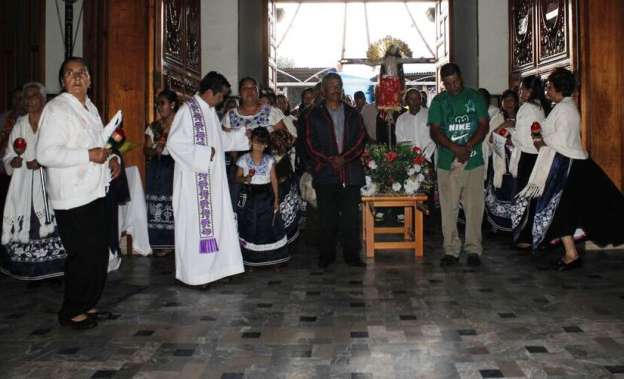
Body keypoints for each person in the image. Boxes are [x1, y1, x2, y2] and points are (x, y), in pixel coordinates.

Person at [37, 57, 121, 330]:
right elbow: (45, 154)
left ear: (89, 79)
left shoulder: (90, 107)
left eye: (81, 73)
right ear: (62, 81)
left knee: (97, 254)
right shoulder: (57, 109)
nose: (76, 77)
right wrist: (88, 155)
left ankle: (88, 303)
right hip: (72, 195)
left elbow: (100, 144)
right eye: (69, 74)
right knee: (82, 255)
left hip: (95, 190)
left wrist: (111, 159)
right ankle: (71, 311)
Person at [512, 68, 624, 270]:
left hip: (569, 166)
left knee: (568, 210)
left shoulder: (565, 109)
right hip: (569, 164)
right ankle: (571, 253)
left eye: (550, 86)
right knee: (565, 211)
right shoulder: (563, 106)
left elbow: (558, 139)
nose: (547, 90)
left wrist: (538, 138)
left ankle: (571, 254)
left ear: (558, 88)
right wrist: (539, 132)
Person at [167, 71, 249, 286]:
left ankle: (216, 270)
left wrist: (241, 136)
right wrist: (204, 154)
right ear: (210, 93)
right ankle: (195, 275)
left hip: (213, 179)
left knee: (218, 223)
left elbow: (219, 139)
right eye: (221, 96)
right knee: (196, 228)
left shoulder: (209, 111)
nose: (222, 101)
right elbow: (174, 144)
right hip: (193, 183)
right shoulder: (187, 111)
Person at [223, 77, 302, 244]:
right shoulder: (230, 116)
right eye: (245, 88)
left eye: (253, 88)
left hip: (272, 169)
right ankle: (246, 246)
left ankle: (277, 245)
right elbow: (225, 144)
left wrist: (262, 139)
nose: (250, 91)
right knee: (246, 211)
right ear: (239, 92)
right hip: (244, 172)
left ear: (258, 92)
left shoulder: (271, 112)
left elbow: (286, 139)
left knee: (273, 208)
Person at [0, 82, 66, 280]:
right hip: (24, 184)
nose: (29, 101)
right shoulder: (19, 124)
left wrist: (43, 162)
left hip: (50, 182)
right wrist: (15, 160)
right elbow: (8, 155)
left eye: (33, 96)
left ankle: (55, 270)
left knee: (52, 223)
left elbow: (61, 150)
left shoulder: (52, 122)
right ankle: (30, 271)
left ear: (43, 99)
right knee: (29, 224)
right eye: (26, 97)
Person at [303, 72, 367, 268]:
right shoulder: (313, 115)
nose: (336, 88)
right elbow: (309, 144)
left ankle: (352, 255)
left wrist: (344, 158)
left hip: (350, 172)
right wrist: (330, 160)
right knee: (327, 218)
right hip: (326, 173)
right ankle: (326, 255)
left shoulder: (353, 113)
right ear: (323, 90)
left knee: (351, 217)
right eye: (331, 85)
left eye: (338, 84)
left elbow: (360, 139)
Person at [428, 63, 488, 267]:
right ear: (443, 83)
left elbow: (483, 125)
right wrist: (455, 148)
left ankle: (473, 249)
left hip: (474, 162)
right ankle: (451, 249)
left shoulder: (475, 97)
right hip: (447, 163)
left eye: (456, 81)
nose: (453, 86)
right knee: (449, 208)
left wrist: (468, 147)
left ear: (461, 77)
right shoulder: (438, 101)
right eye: (448, 83)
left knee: (474, 207)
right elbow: (434, 130)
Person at [235, 127, 288, 268]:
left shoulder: (269, 160)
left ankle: (274, 258)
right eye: (256, 142)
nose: (259, 146)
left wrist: (276, 200)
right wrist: (245, 178)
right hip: (250, 196)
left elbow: (274, 180)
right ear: (251, 142)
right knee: (251, 227)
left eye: (262, 143)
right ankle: (252, 260)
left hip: (267, 197)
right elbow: (237, 178)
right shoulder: (244, 160)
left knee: (268, 227)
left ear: (266, 145)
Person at [509, 75, 551, 248]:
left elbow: (521, 138)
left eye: (523, 89)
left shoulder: (526, 108)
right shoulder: (541, 106)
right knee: (535, 197)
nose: (520, 92)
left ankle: (524, 236)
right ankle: (533, 234)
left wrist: (510, 136)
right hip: (539, 156)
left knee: (524, 196)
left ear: (530, 90)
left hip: (527, 156)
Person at [144, 89, 178, 256]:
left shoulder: (181, 124)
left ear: (172, 105)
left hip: (176, 166)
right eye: (157, 104)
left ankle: (177, 241)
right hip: (158, 168)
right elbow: (146, 149)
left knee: (176, 202)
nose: (159, 107)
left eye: (162, 103)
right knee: (158, 204)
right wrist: (154, 150)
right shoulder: (154, 126)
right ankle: (161, 242)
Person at [484, 89, 519, 233]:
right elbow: (490, 139)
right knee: (499, 192)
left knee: (513, 193)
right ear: (502, 103)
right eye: (506, 101)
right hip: (500, 160)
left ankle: (513, 225)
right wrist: (505, 125)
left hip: (516, 161)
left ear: (516, 102)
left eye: (511, 100)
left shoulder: (522, 117)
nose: (509, 103)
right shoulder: (498, 118)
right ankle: (496, 224)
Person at [395, 89, 435, 160]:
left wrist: (425, 156)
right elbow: (401, 141)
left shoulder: (430, 114)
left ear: (421, 100)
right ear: (406, 101)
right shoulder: (401, 119)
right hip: (409, 160)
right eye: (411, 99)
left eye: (417, 98)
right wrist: (411, 156)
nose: (414, 102)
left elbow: (435, 137)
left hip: (429, 158)